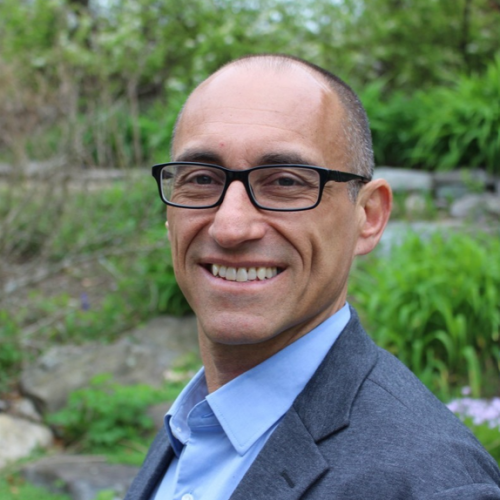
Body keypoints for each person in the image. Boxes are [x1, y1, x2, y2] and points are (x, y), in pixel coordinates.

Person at [125, 54, 500, 500]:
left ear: (368, 216)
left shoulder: (434, 483)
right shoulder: (192, 424)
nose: (230, 226)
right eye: (202, 179)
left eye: (285, 182)